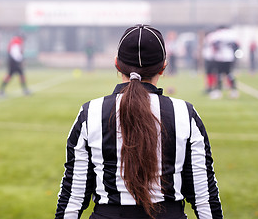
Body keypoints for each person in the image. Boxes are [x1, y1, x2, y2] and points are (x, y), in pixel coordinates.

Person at [55, 25, 223, 219]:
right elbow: (204, 197)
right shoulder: (185, 113)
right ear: (163, 66)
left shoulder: (90, 112)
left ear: (117, 64)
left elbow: (73, 197)